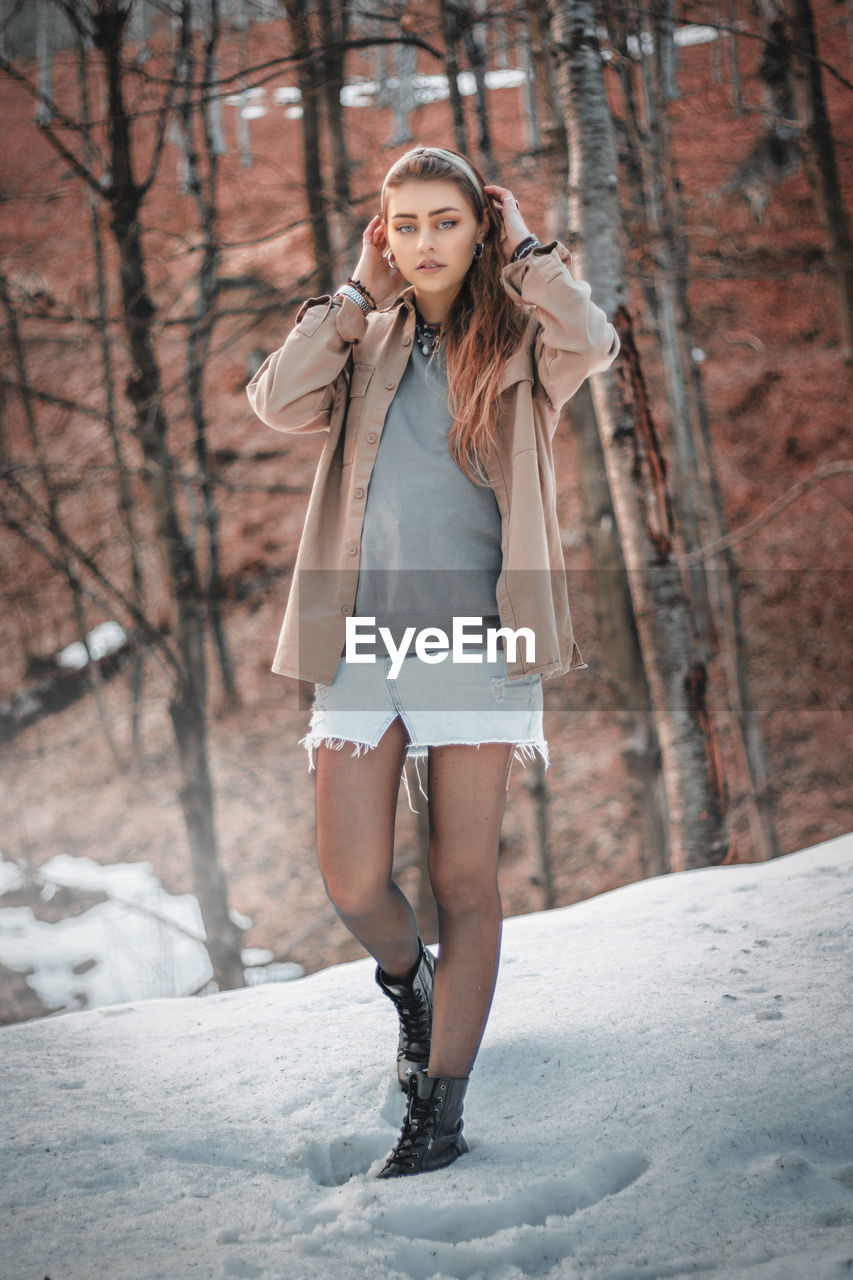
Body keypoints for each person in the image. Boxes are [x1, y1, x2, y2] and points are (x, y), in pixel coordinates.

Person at [246, 145, 620, 1178]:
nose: (422, 243)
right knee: (354, 877)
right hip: (361, 633)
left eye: (444, 221)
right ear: (383, 234)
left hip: (480, 640)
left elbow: (598, 339)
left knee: (463, 875)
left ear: (478, 224)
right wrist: (350, 294)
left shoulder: (524, 345)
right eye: (403, 224)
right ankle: (410, 981)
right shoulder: (361, 340)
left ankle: (439, 1110)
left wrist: (528, 251)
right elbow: (273, 401)